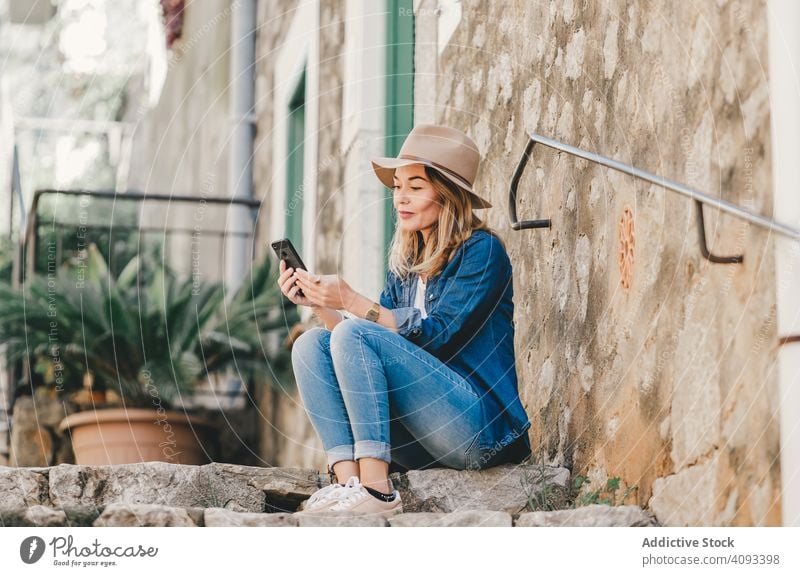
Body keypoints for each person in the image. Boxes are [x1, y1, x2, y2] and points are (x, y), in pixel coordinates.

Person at [277, 124, 531, 517]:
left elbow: (437, 335)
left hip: (478, 431)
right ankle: (348, 484)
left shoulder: (482, 252)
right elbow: (363, 345)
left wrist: (353, 301)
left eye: (415, 186)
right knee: (312, 344)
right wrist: (321, 305)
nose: (400, 198)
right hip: (422, 438)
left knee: (356, 329)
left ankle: (377, 492)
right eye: (397, 187)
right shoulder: (406, 265)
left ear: (447, 194)